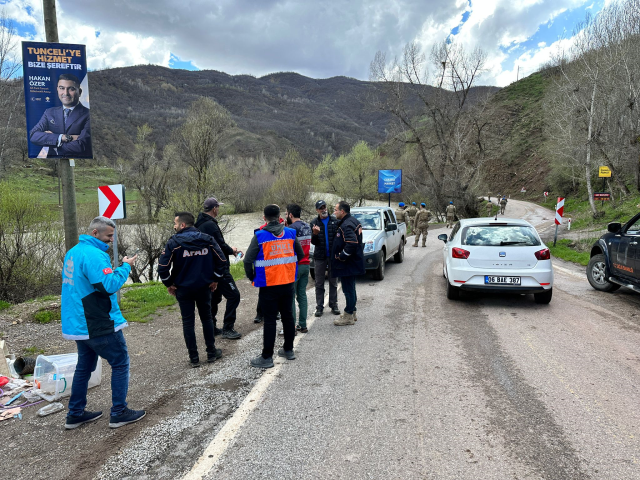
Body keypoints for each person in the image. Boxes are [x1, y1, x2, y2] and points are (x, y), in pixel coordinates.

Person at [61, 216, 145, 430]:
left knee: (84, 367)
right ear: (95, 233)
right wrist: (126, 267)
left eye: (112, 236)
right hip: (97, 322)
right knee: (120, 362)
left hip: (78, 324)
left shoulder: (73, 252)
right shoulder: (95, 255)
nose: (111, 241)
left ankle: (75, 413)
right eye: (108, 236)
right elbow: (108, 286)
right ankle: (119, 412)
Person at [158, 212, 228, 368]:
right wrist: (215, 278)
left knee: (188, 322)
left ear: (183, 225)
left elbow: (162, 267)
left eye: (175, 223)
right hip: (204, 287)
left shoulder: (173, 242)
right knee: (207, 319)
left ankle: (194, 358)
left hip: (183, 289)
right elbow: (222, 260)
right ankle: (211, 353)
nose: (174, 226)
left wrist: (169, 283)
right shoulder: (208, 239)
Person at [244, 205, 304, 368]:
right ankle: (288, 350)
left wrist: (252, 277)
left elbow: (247, 260)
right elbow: (301, 254)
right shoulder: (291, 233)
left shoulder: (260, 235)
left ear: (264, 218)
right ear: (279, 217)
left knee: (270, 320)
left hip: (268, 284)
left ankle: (267, 357)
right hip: (287, 282)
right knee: (288, 316)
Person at [194, 197, 242, 339]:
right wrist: (232, 250)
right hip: (218, 268)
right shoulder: (210, 225)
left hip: (207, 268)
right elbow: (219, 244)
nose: (218, 210)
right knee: (234, 296)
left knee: (214, 298)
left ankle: (212, 327)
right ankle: (228, 328)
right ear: (214, 209)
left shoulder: (200, 223)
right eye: (218, 207)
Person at [29, 73, 92, 158]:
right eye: (62, 88)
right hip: (53, 161)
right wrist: (61, 137)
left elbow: (81, 145)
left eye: (71, 89)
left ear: (79, 92)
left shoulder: (88, 115)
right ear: (57, 89)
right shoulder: (49, 112)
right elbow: (33, 136)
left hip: (79, 163)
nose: (65, 93)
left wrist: (51, 141)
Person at [331, 201, 365, 326]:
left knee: (348, 289)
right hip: (353, 262)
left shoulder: (346, 225)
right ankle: (353, 311)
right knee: (351, 288)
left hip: (348, 263)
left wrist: (341, 257)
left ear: (342, 211)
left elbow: (351, 243)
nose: (334, 212)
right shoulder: (353, 221)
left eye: (335, 210)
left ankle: (348, 315)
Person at [310, 200, 340, 317]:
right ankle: (319, 307)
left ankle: (333, 305)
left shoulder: (335, 221)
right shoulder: (314, 222)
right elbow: (314, 242)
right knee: (319, 282)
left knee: (333, 281)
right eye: (321, 208)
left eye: (324, 207)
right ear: (317, 210)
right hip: (319, 256)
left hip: (333, 256)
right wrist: (315, 234)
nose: (323, 209)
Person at [253, 216, 285, 324]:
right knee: (264, 292)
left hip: (278, 265)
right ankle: (259, 313)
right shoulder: (261, 229)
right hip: (267, 266)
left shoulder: (283, 225)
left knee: (273, 292)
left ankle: (274, 312)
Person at [286, 204, 312, 333]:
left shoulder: (290, 229)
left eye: (286, 214)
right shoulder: (307, 226)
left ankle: (292, 326)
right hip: (306, 263)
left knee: (291, 296)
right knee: (302, 295)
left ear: (290, 214)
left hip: (295, 266)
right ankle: (303, 324)